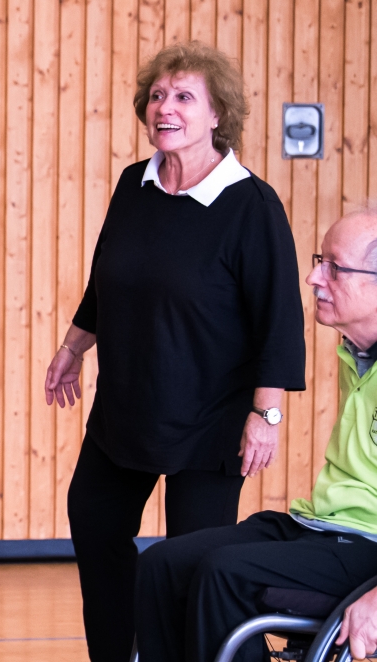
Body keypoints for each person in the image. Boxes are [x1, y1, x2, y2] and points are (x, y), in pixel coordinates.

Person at [41, 41, 306, 662]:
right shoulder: (135, 184)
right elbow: (109, 276)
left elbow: (279, 319)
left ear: (218, 115)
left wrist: (265, 415)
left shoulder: (251, 205)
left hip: (211, 420)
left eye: (184, 97)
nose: (166, 107)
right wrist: (73, 347)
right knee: (94, 520)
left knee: (199, 566)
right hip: (127, 407)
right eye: (158, 95)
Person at [133, 210, 377, 662]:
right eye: (319, 260)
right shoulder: (357, 354)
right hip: (319, 526)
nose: (313, 277)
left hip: (368, 545)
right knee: (159, 565)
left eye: (334, 268)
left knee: (222, 573)